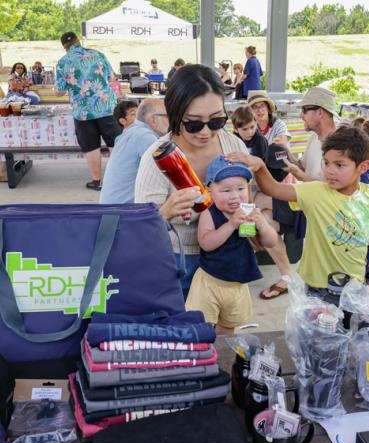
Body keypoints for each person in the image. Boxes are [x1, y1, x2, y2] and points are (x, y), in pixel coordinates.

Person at [226, 126, 369, 292]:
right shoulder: (315, 191)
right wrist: (260, 166)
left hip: (354, 284)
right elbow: (273, 189)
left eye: (339, 165)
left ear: (362, 167)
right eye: (326, 163)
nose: (330, 171)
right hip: (317, 287)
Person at [134, 64, 249, 299]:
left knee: (223, 330)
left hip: (227, 255)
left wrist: (252, 233)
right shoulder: (158, 158)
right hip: (179, 260)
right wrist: (166, 211)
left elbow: (249, 197)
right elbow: (140, 225)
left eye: (216, 121)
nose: (206, 132)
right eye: (194, 124)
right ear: (176, 115)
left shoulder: (233, 146)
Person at [185, 156, 278, 335]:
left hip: (237, 285)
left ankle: (223, 352)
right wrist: (231, 225)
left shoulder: (250, 212)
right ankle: (204, 353)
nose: (235, 196)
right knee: (200, 325)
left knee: (228, 327)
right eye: (226, 190)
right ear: (209, 190)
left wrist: (263, 225)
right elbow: (206, 243)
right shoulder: (209, 213)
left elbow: (271, 242)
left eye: (241, 188)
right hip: (209, 283)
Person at [55, 32, 121, 191]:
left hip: (83, 112)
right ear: (78, 41)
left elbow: (59, 91)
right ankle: (119, 181)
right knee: (114, 143)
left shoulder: (63, 62)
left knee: (91, 146)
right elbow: (112, 78)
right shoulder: (98, 54)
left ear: (64, 47)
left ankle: (97, 182)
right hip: (106, 108)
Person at [245, 91, 294, 299]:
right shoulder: (247, 134)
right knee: (261, 219)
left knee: (252, 206)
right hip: (262, 191)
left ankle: (252, 248)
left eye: (262, 106)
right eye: (254, 108)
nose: (259, 110)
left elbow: (281, 145)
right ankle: (288, 277)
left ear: (268, 108)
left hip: (282, 189)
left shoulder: (278, 126)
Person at [101, 99, 168, 205]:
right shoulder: (144, 136)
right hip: (124, 213)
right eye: (167, 116)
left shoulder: (130, 133)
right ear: (153, 120)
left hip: (113, 208)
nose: (170, 120)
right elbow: (166, 171)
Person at [284, 86, 338, 182]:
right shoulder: (314, 137)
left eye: (304, 110)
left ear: (320, 112)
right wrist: (285, 151)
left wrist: (302, 177)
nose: (301, 115)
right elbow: (303, 168)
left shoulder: (340, 145)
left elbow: (332, 191)